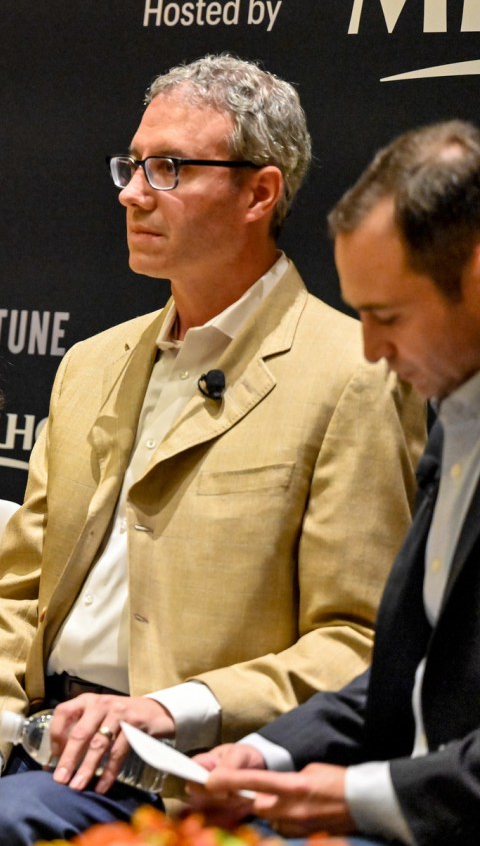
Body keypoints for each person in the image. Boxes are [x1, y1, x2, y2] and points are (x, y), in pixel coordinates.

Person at [0, 54, 428, 846]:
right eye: (133, 166)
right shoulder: (93, 364)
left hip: (177, 755)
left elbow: (356, 640)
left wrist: (173, 706)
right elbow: (15, 589)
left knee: (10, 820)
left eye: (169, 168)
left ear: (260, 193)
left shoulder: (351, 372)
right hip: (35, 725)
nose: (134, 192)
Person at [191, 121, 480, 845]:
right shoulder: (450, 415)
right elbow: (415, 676)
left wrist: (356, 793)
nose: (372, 351)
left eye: (387, 316)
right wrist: (268, 749)